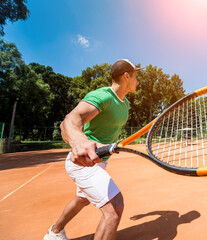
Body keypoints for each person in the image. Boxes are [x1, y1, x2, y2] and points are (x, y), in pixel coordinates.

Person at [44, 59, 144, 240]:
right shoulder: (103, 96)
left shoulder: (125, 104)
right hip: (83, 161)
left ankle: (55, 232)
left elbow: (107, 130)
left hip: (100, 162)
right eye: (136, 76)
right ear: (126, 75)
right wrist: (79, 141)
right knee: (115, 208)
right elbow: (71, 118)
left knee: (83, 199)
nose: (138, 81)